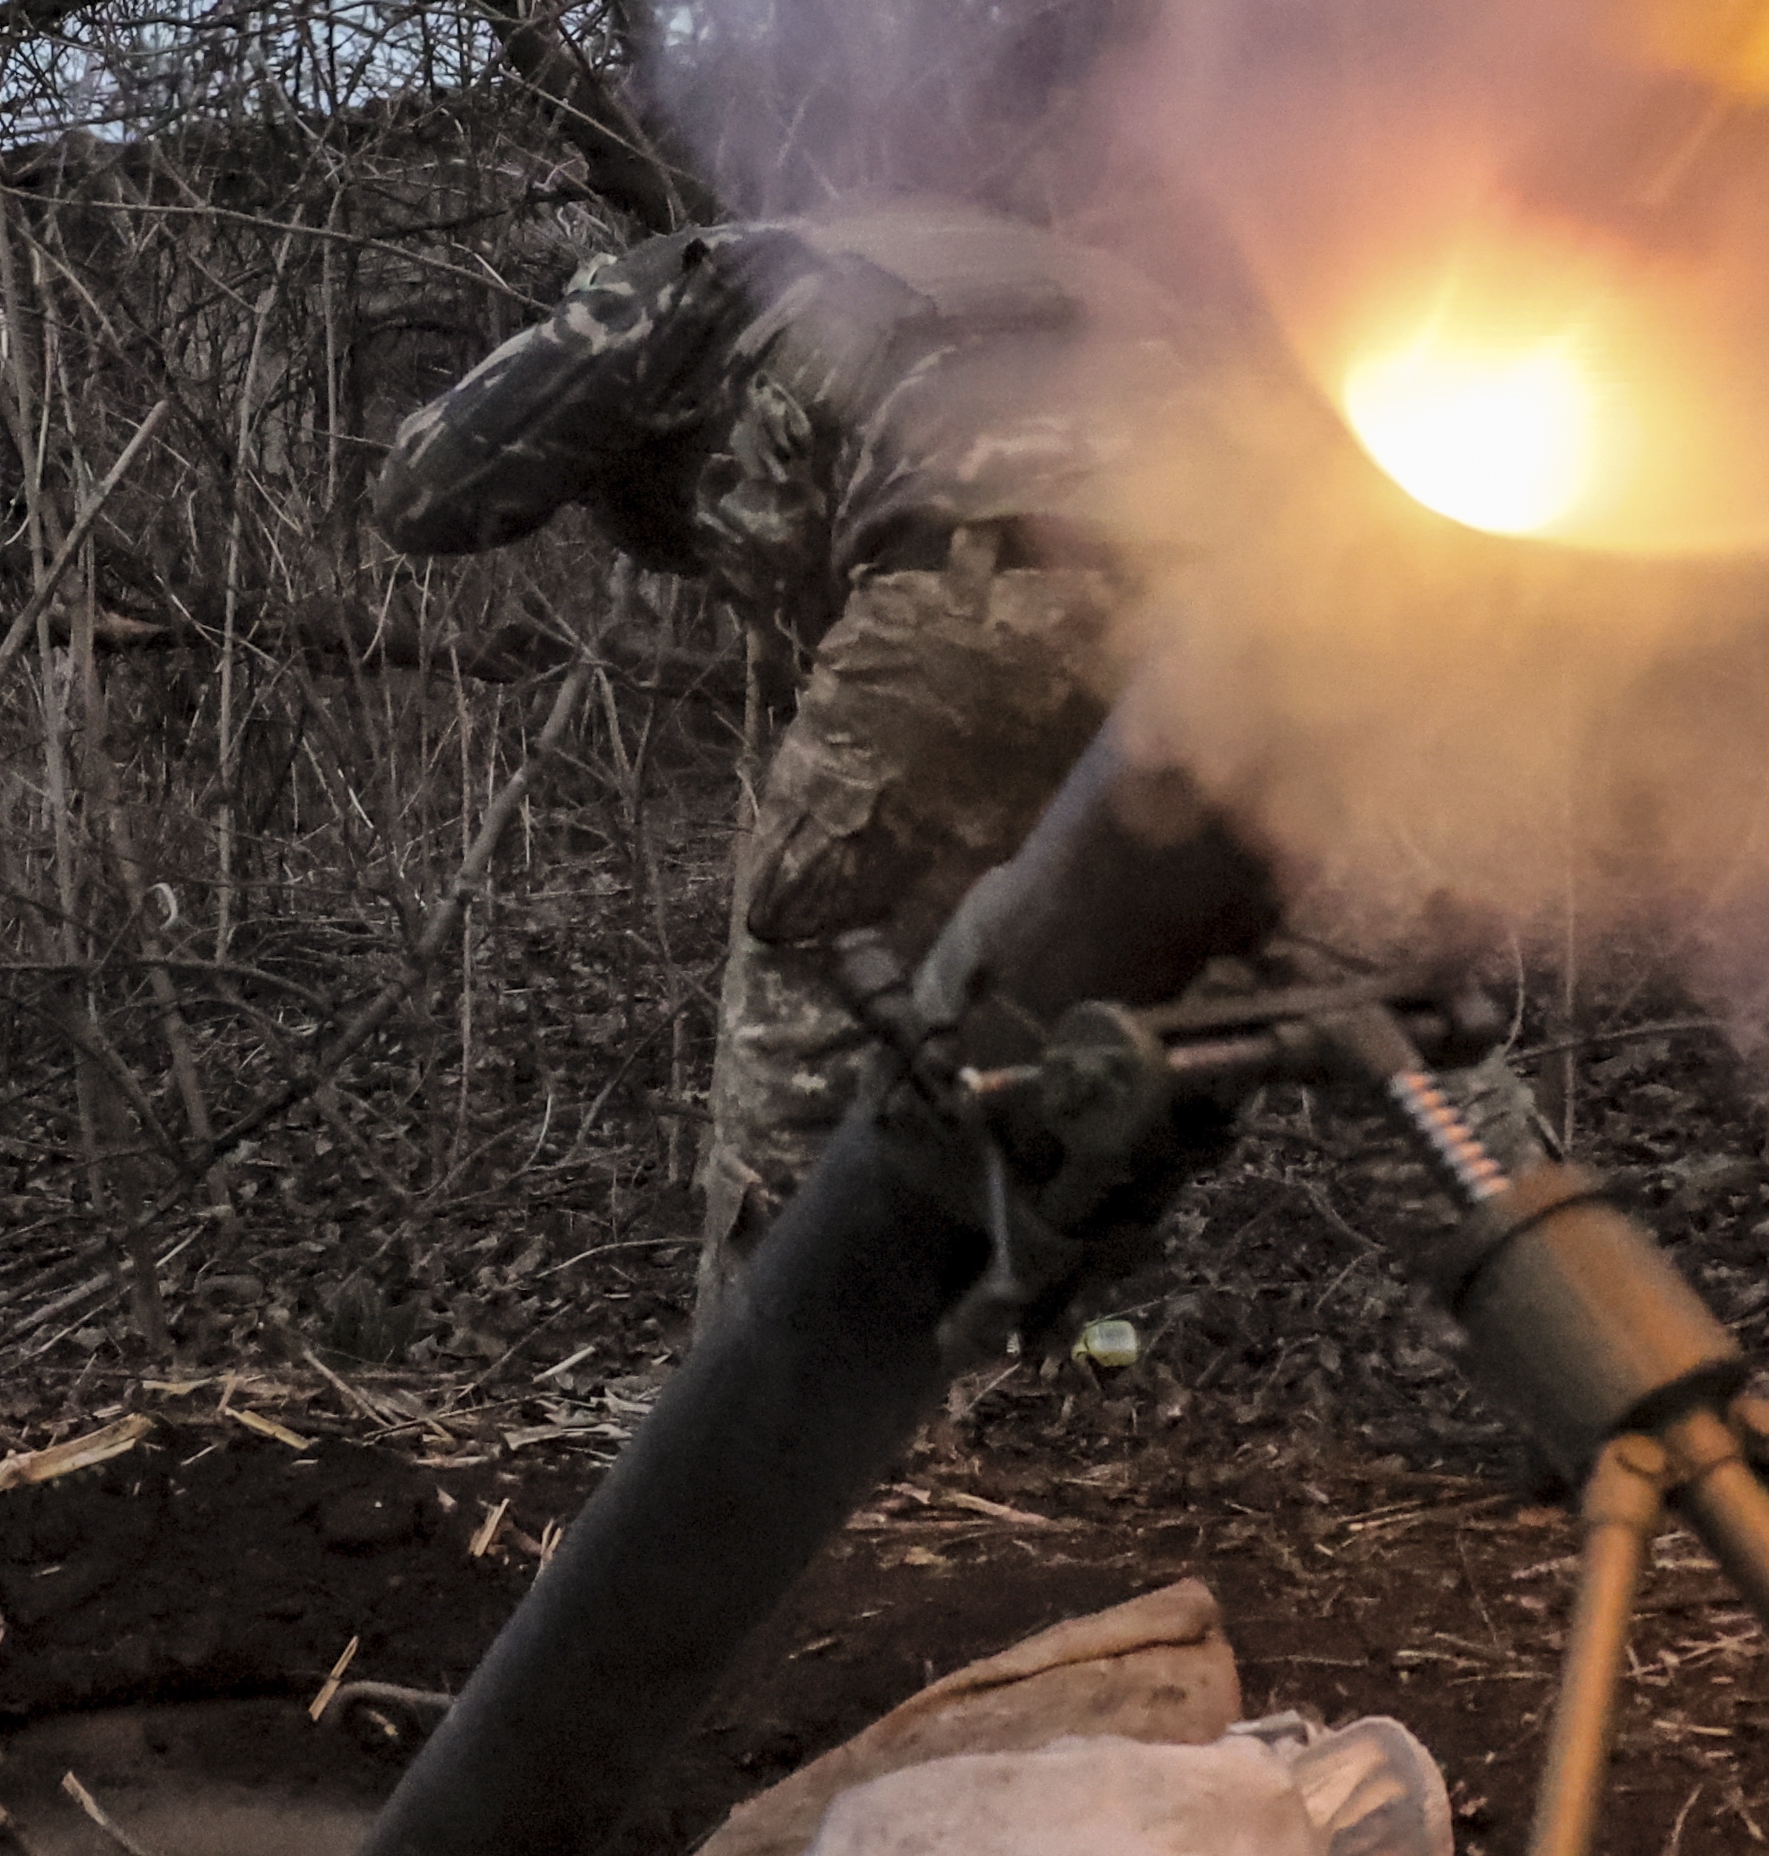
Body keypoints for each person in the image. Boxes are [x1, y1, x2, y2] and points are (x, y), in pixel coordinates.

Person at [375, 205, 1174, 1299]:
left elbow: (422, 491)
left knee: (805, 1018)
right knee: (1354, 998)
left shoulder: (690, 279)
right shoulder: (1013, 254)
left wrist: (603, 392)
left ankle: (749, 1438)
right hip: (1268, 590)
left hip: (981, 581)